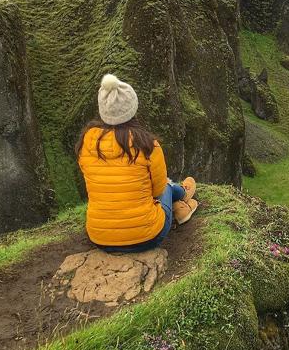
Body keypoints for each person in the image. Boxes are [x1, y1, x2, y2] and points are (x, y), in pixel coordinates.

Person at [75, 73, 199, 253]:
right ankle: (182, 197)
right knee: (166, 185)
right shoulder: (147, 144)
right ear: (132, 108)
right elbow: (157, 191)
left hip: (100, 238)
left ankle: (180, 205)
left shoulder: (87, 142)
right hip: (147, 238)